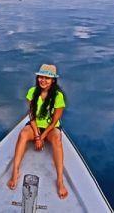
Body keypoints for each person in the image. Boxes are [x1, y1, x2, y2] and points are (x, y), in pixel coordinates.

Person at [6, 63, 68, 199]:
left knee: (57, 139)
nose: (43, 80)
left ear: (53, 80)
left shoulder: (58, 97)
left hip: (50, 128)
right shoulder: (32, 92)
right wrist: (36, 134)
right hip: (35, 125)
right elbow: (32, 115)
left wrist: (42, 136)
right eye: (41, 77)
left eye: (47, 78)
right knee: (22, 134)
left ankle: (59, 180)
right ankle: (15, 171)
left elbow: (54, 122)